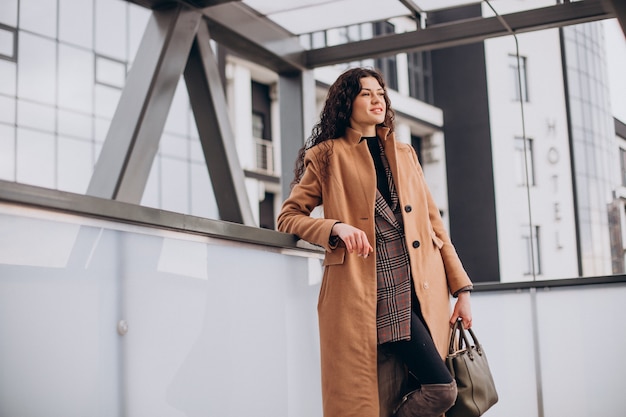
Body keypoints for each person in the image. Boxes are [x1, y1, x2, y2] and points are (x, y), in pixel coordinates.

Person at [277, 67, 473, 417]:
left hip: (422, 291)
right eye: (366, 93)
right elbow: (289, 216)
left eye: (380, 93)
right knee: (439, 391)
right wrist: (335, 227)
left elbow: (436, 227)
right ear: (346, 102)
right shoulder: (326, 156)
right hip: (365, 295)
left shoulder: (405, 154)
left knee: (415, 390)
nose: (376, 100)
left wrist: (463, 291)